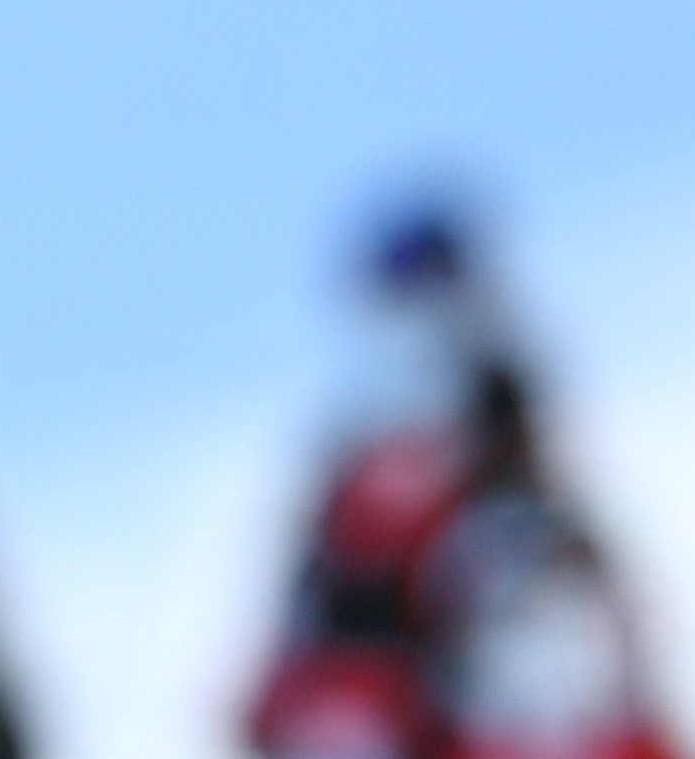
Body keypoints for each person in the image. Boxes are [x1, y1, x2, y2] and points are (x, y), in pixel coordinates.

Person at [247, 206, 677, 759]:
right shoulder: (353, 487)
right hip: (383, 694)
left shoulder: (518, 498)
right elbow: (303, 673)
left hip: (495, 690)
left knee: (538, 647)